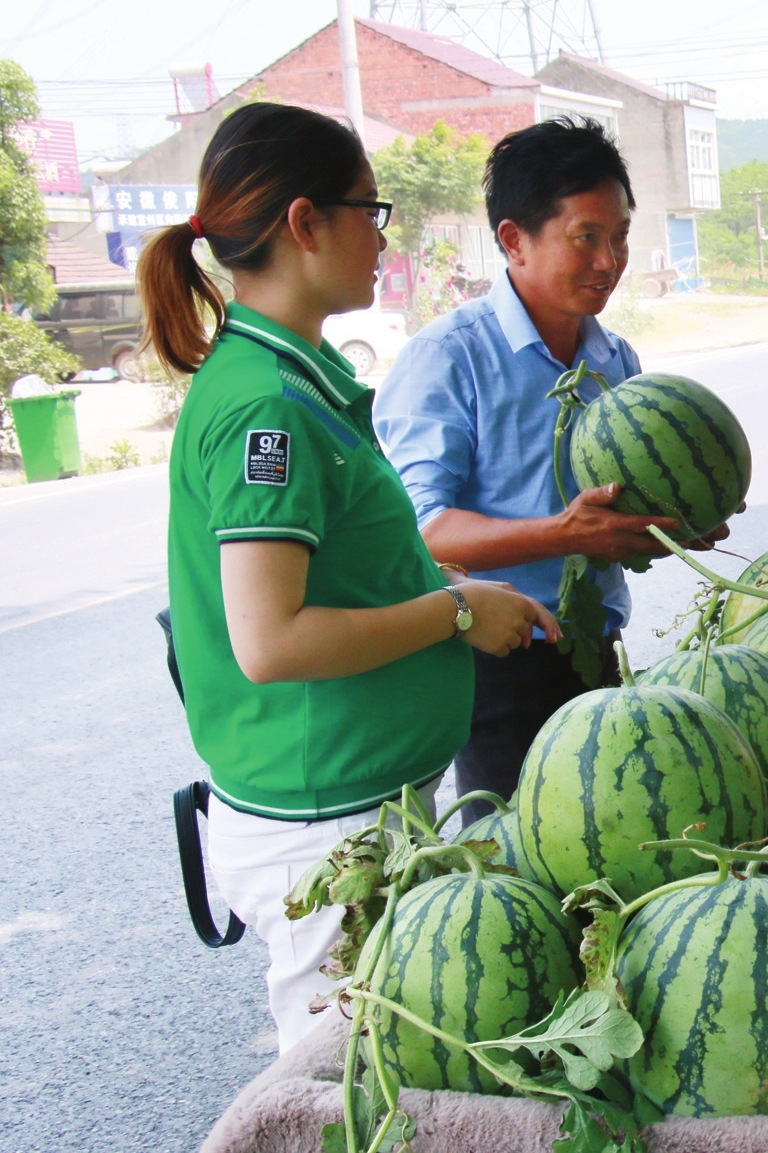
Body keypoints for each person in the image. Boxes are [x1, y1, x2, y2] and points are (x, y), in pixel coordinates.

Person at [146, 102, 558, 1054]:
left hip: (360, 805)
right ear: (304, 223)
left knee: (404, 1077)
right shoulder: (266, 410)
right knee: (346, 1090)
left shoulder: (299, 377)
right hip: (323, 830)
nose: (383, 238)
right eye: (370, 213)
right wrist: (455, 610)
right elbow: (271, 637)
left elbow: (339, 567)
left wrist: (429, 575)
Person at [374, 118, 731, 826]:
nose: (610, 260)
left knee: (618, 854)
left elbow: (623, 508)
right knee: (522, 872)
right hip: (495, 664)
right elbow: (423, 532)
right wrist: (567, 534)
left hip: (597, 654)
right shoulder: (449, 357)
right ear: (514, 240)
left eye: (621, 236)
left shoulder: (616, 360)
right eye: (586, 237)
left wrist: (673, 524)